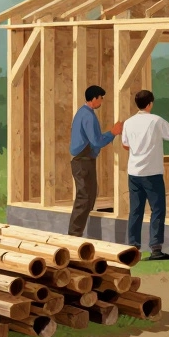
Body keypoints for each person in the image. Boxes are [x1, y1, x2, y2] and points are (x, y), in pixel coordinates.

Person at [120, 89, 169, 260]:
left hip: (134, 172)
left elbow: (125, 145)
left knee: (135, 210)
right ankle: (155, 248)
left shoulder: (128, 123)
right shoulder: (156, 121)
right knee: (157, 209)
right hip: (152, 172)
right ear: (149, 104)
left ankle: (133, 247)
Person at [68, 85, 123, 238]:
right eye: (100, 98)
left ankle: (76, 232)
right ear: (94, 98)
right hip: (83, 161)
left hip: (85, 160)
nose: (102, 101)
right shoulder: (88, 116)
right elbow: (97, 141)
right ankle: (74, 234)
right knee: (84, 197)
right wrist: (113, 132)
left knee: (90, 195)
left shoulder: (84, 113)